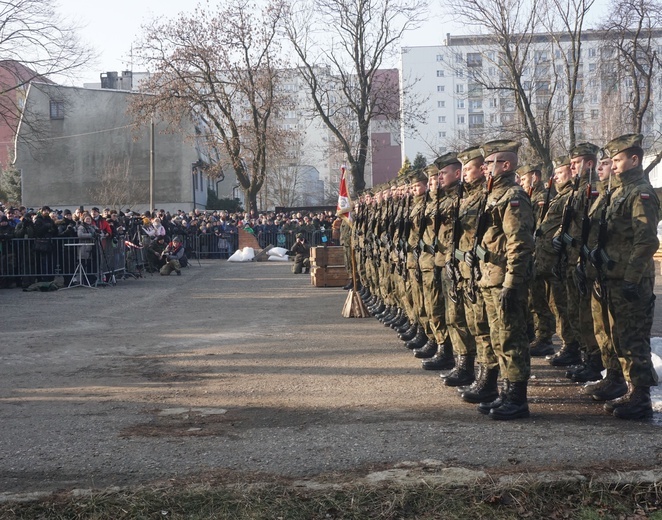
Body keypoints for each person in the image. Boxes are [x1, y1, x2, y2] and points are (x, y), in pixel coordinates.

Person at [595, 134, 660, 419]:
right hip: (614, 276)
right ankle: (630, 390)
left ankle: (641, 397)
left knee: (634, 338)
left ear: (634, 159)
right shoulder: (618, 191)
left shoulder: (640, 192)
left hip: (631, 279)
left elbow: (646, 241)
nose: (615, 165)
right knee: (619, 336)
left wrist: (632, 278)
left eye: (619, 159)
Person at [470, 139, 535, 420]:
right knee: (498, 339)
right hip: (490, 278)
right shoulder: (494, 195)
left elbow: (519, 243)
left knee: (511, 339)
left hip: (505, 280)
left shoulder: (513, 196)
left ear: (506, 165)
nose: (484, 168)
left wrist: (512, 281)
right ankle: (506, 392)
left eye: (490, 163)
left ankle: (517, 399)